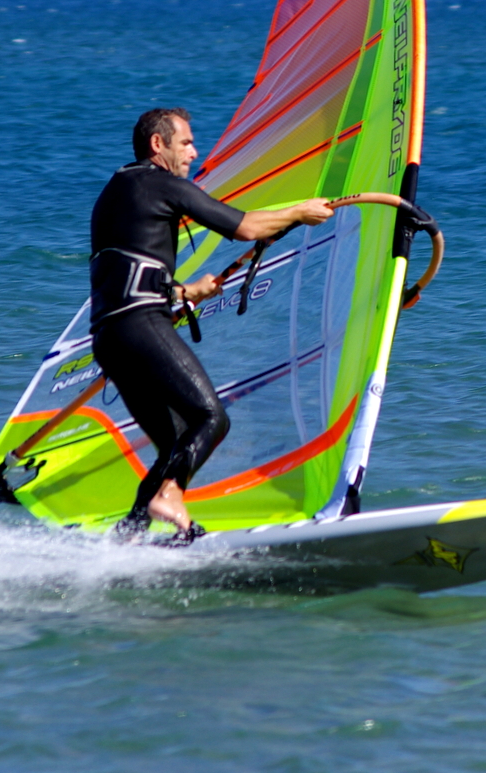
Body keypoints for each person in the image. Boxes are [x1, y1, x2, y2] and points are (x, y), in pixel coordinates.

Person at [90, 107, 333, 543]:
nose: (194, 152)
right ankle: (170, 498)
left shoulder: (115, 191)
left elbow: (123, 272)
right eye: (185, 142)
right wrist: (299, 211)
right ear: (158, 144)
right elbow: (245, 227)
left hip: (110, 337)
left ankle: (127, 537)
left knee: (176, 441)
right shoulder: (163, 184)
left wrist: (185, 292)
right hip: (141, 325)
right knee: (211, 418)